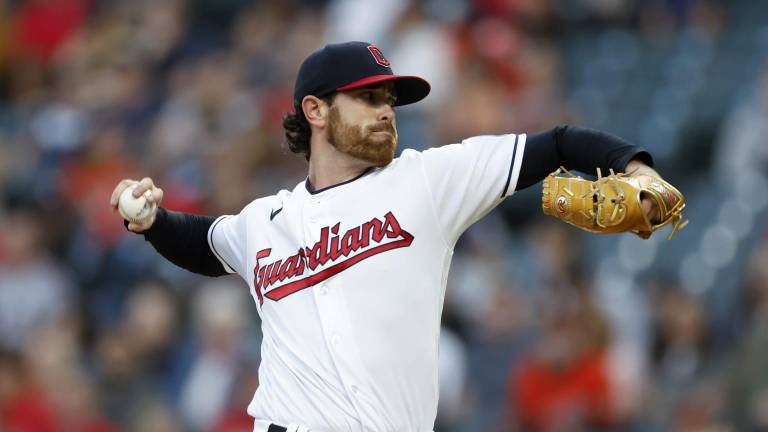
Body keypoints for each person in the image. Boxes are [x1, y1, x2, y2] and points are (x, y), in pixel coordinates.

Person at [109, 41, 664, 432]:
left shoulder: (428, 181)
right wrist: (153, 222)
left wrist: (633, 166)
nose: (386, 112)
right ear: (315, 110)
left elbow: (558, 143)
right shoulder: (264, 221)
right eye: (368, 98)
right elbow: (205, 244)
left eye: (389, 101)